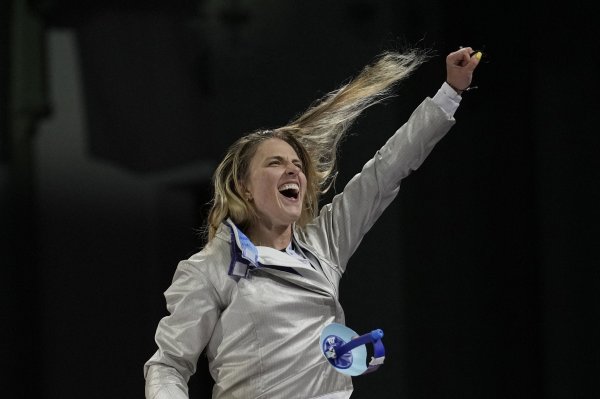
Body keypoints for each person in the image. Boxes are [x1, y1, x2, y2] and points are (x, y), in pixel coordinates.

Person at [144, 46, 482, 399]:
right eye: (275, 162)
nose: (292, 169)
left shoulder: (324, 245)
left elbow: (386, 171)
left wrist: (450, 93)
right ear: (244, 187)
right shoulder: (210, 269)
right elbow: (168, 365)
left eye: (296, 164)